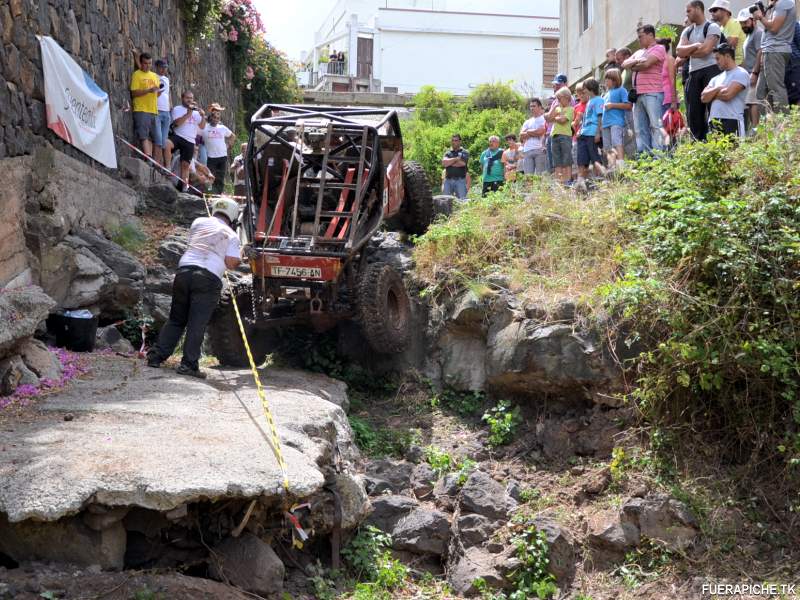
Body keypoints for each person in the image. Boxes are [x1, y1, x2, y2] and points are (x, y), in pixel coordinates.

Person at [147, 198, 241, 379]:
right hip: (208, 277)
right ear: (233, 216)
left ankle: (156, 356)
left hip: (184, 271)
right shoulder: (232, 235)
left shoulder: (198, 222)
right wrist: (241, 254)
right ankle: (188, 364)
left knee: (176, 318)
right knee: (197, 323)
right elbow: (230, 263)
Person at [678, 1, 722, 141]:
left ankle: (716, 140)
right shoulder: (687, 31)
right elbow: (679, 51)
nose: (687, 13)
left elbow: (706, 50)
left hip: (711, 70)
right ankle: (698, 143)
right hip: (693, 72)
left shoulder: (712, 26)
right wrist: (697, 46)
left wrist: (689, 51)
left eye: (689, 10)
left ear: (698, 9)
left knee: (713, 108)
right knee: (694, 112)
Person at [624, 24, 668, 153]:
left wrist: (634, 64)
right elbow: (624, 63)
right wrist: (637, 62)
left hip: (653, 93)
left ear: (650, 35)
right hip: (638, 95)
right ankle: (644, 156)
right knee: (640, 128)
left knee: (655, 125)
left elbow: (647, 64)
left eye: (641, 37)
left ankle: (658, 156)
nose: (639, 40)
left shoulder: (659, 48)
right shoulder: (638, 52)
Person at [752, 0, 797, 111]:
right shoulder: (777, 4)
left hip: (775, 50)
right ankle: (767, 125)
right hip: (769, 50)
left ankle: (783, 125)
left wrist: (761, 17)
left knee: (776, 88)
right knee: (761, 92)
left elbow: (774, 28)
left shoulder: (784, 2)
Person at [701, 43, 750, 136]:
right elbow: (703, 98)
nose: (716, 62)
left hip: (732, 120)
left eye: (718, 58)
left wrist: (711, 95)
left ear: (727, 56)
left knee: (735, 150)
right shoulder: (715, 78)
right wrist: (718, 88)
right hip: (714, 121)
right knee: (714, 151)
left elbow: (727, 95)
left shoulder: (741, 73)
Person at [171, 91, 206, 192]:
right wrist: (188, 114)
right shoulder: (177, 109)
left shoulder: (196, 112)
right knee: (167, 146)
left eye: (191, 98)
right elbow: (176, 123)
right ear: (182, 98)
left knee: (185, 165)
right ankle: (167, 169)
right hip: (178, 136)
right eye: (187, 98)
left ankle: (184, 187)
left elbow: (202, 126)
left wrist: (203, 116)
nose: (190, 100)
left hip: (190, 140)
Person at [737, 8, 766, 130]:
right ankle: (753, 131)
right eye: (741, 23)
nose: (743, 25)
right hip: (748, 74)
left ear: (753, 20)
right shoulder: (748, 36)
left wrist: (754, 72)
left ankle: (756, 130)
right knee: (749, 103)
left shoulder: (758, 33)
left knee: (754, 102)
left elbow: (760, 51)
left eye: (746, 22)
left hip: (756, 74)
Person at [129, 53, 161, 158]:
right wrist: (148, 90)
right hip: (142, 109)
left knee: (157, 139)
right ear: (141, 63)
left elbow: (156, 94)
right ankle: (148, 157)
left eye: (150, 63)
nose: (148, 65)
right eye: (145, 63)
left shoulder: (154, 76)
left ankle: (155, 163)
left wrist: (157, 92)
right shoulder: (137, 74)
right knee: (144, 136)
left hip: (154, 110)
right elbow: (133, 93)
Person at [575, 78, 605, 186]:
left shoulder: (599, 100)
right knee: (582, 159)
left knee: (595, 158)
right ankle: (580, 182)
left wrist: (598, 133)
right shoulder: (589, 102)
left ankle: (599, 180)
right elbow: (586, 118)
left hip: (592, 134)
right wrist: (580, 130)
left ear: (590, 88)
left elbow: (599, 117)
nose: (583, 91)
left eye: (584, 89)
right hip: (584, 133)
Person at [602, 69, 633, 170]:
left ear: (615, 80)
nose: (605, 82)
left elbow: (628, 105)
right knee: (607, 146)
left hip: (616, 122)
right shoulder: (606, 94)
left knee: (617, 142)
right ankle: (612, 167)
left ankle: (621, 165)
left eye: (608, 80)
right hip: (605, 124)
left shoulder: (621, 90)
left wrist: (612, 105)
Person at [202, 103, 234, 195]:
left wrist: (229, 146)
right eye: (214, 117)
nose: (216, 120)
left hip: (222, 156)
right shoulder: (205, 127)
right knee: (210, 177)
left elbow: (232, 136)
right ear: (211, 117)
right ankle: (209, 193)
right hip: (210, 157)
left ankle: (218, 194)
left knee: (220, 178)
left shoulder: (222, 128)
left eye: (218, 118)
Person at [545, 87, 575, 185]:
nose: (558, 101)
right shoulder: (557, 108)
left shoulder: (570, 109)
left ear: (566, 98)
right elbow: (549, 118)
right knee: (556, 160)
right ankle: (559, 182)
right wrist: (554, 109)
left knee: (566, 158)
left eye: (559, 98)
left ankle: (568, 180)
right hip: (554, 136)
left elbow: (563, 121)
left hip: (565, 136)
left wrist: (555, 117)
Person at [616, 47, 639, 159]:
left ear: (626, 57)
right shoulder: (624, 71)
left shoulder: (632, 68)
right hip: (624, 108)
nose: (617, 61)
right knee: (627, 135)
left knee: (633, 134)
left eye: (619, 58)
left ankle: (635, 157)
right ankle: (631, 157)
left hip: (632, 105)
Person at [546, 73, 571, 172]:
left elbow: (563, 119)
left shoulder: (569, 99)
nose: (555, 86)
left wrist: (551, 117)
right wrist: (550, 117)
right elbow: (548, 118)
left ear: (565, 84)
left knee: (565, 161)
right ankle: (558, 183)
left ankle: (565, 181)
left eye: (558, 84)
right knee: (554, 163)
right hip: (553, 133)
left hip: (564, 134)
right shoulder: (555, 100)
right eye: (555, 84)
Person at [519, 98, 548, 175]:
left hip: (539, 149)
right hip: (527, 150)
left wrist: (528, 131)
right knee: (528, 177)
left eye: (534, 106)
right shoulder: (527, 121)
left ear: (539, 107)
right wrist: (535, 132)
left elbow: (541, 131)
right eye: (531, 106)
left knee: (540, 175)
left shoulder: (544, 119)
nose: (532, 108)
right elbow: (521, 135)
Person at [442, 134, 470, 200]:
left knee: (462, 201)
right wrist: (456, 159)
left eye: (456, 140)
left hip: (460, 181)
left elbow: (462, 163)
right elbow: (444, 163)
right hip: (448, 181)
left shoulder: (464, 152)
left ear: (460, 141)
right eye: (452, 140)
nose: (453, 142)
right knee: (446, 201)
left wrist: (449, 162)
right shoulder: (448, 153)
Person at [154, 59, 171, 167]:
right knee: (158, 139)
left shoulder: (166, 79)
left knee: (163, 141)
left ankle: (160, 165)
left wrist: (170, 107)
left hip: (166, 112)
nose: (164, 69)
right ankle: (157, 163)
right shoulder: (153, 77)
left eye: (165, 67)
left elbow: (167, 94)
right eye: (162, 67)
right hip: (157, 110)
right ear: (157, 67)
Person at [658, 38, 679, 116]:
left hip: (668, 99)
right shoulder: (658, 60)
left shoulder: (670, 59)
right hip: (659, 99)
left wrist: (674, 101)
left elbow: (673, 79)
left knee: (670, 126)